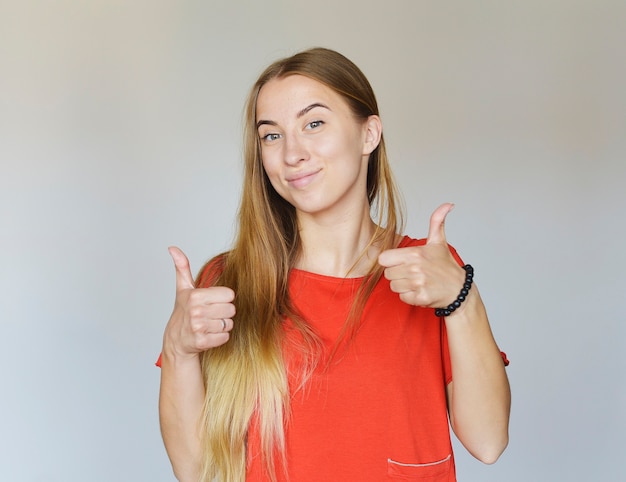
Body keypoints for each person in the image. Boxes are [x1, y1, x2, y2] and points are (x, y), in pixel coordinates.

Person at [158, 47, 511, 482]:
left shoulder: (429, 273)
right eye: (271, 135)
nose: (292, 153)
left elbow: (488, 440)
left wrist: (463, 297)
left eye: (314, 124)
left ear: (369, 134)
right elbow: (196, 471)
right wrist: (177, 350)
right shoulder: (228, 283)